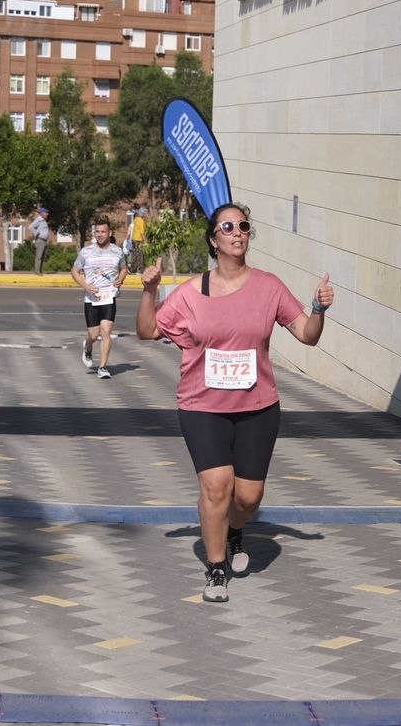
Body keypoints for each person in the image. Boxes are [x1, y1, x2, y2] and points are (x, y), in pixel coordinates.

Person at [137, 203, 335, 603]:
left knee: (247, 497)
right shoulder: (192, 293)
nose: (238, 232)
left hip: (258, 407)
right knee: (216, 487)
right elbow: (147, 330)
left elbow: (307, 335)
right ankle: (215, 568)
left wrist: (318, 309)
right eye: (228, 227)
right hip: (202, 405)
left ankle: (233, 528)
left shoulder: (268, 286)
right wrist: (149, 291)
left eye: (243, 225)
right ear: (214, 239)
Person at [72, 218, 128, 379]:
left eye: (103, 231)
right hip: (91, 298)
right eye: (97, 231)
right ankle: (88, 347)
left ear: (109, 233)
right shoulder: (86, 252)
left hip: (109, 297)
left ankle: (103, 367)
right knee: (93, 334)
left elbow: (124, 268)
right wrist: (85, 285)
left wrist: (121, 278)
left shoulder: (117, 251)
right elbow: (75, 271)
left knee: (106, 331)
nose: (100, 235)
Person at [29, 207, 51, 274]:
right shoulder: (39, 220)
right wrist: (36, 233)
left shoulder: (43, 220)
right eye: (46, 212)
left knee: (42, 256)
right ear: (41, 213)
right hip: (40, 240)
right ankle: (37, 271)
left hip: (44, 240)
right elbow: (30, 227)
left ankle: (40, 270)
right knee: (39, 256)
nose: (47, 214)